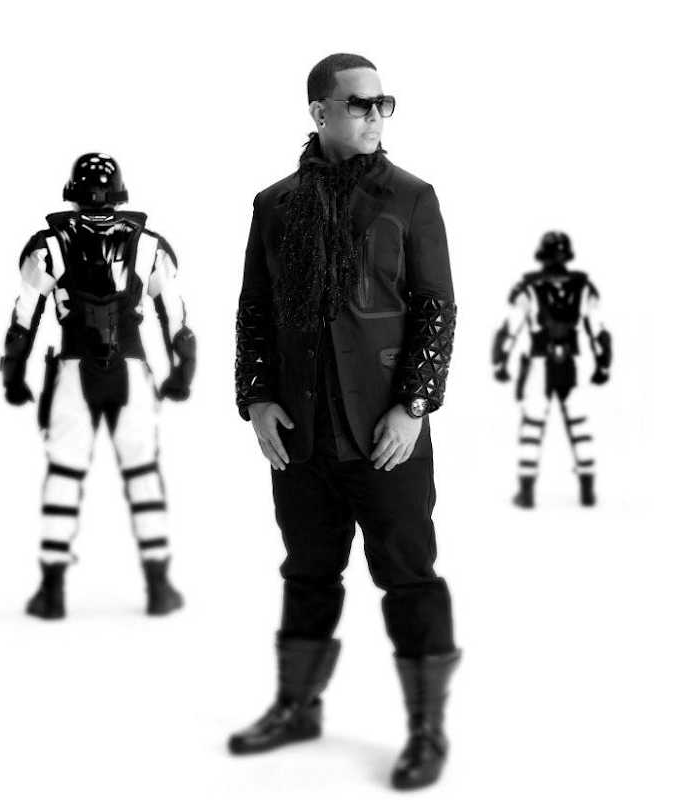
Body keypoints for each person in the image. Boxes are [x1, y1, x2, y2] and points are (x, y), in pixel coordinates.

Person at [230, 54, 461, 790]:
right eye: (360, 103)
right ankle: (296, 706)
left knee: (409, 577)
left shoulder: (410, 197)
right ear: (319, 111)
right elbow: (255, 310)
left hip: (386, 433)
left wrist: (413, 405)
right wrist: (257, 397)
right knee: (306, 571)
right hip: (300, 432)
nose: (374, 115)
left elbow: (435, 308)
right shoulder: (275, 204)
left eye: (382, 103)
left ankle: (427, 728)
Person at [0, 153, 195, 619]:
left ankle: (51, 590)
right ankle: (158, 586)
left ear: (72, 193)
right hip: (131, 370)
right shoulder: (149, 245)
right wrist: (182, 372)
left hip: (73, 370)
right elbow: (175, 318)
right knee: (142, 473)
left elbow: (23, 320)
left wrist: (14, 375)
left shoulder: (49, 246)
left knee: (65, 473)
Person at [492, 230, 612, 507]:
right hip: (571, 364)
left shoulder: (529, 288)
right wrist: (602, 365)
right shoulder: (583, 288)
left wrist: (501, 362)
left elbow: (510, 329)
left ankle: (526, 492)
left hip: (540, 364)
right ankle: (587, 490)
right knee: (579, 425)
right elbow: (598, 332)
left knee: (532, 426)